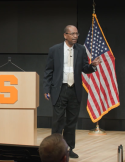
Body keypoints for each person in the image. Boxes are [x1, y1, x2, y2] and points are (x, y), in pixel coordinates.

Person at [43, 25, 101, 158]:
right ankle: (53, 150)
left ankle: (69, 149)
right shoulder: (55, 50)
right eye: (72, 34)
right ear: (65, 35)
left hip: (74, 90)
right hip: (60, 89)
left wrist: (92, 66)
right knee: (58, 121)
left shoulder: (81, 49)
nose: (75, 36)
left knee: (71, 122)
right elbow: (48, 71)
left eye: (77, 34)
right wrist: (46, 89)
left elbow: (85, 68)